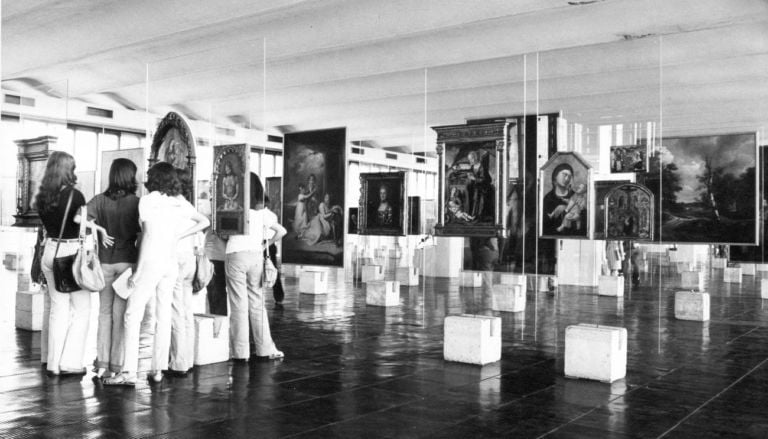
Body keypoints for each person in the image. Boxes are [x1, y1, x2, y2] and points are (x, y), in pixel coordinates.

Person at [105, 163, 209, 386]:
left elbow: (148, 236)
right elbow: (204, 221)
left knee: (132, 315)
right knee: (163, 316)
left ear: (153, 179)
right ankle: (158, 369)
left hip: (152, 260)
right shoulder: (178, 202)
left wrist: (138, 270)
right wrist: (178, 236)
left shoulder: (148, 200)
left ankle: (129, 372)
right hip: (170, 262)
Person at [36, 151, 113, 377]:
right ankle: (70, 362)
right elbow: (80, 222)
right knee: (81, 310)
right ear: (69, 170)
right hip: (70, 254)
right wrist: (99, 228)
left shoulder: (41, 196)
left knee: (57, 308)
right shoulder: (75, 196)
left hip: (49, 252)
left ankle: (52, 364)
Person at [86, 158, 141, 379]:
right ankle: (116, 366)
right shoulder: (137, 203)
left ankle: (102, 363)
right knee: (120, 316)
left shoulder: (99, 200)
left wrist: (98, 228)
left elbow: (79, 218)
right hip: (127, 263)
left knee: (104, 314)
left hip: (105, 262)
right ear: (130, 176)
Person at [226, 173, 286, 361]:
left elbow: (222, 232)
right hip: (255, 257)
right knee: (257, 304)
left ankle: (240, 353)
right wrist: (262, 246)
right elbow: (281, 231)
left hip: (235, 254)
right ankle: (264, 349)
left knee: (238, 305)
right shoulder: (263, 214)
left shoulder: (234, 208)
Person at [168, 169, 201, 377]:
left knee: (176, 311)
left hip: (176, 257)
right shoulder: (189, 205)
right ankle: (188, 358)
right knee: (187, 310)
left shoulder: (171, 205)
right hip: (190, 259)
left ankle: (178, 361)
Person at [542, 163, 586, 236]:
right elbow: (545, 225)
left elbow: (583, 219)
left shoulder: (576, 196)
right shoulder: (548, 198)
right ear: (555, 176)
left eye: (569, 176)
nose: (567, 178)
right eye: (564, 174)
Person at [264, 196, 284, 309]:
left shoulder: (261, 215)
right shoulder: (272, 215)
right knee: (273, 268)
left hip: (263, 244)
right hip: (271, 245)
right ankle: (279, 297)